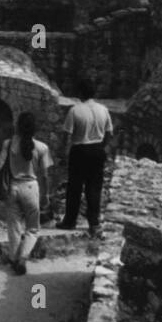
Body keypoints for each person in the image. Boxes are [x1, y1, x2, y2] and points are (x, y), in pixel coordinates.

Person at [0, 111, 54, 275]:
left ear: (17, 126)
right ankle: (23, 257)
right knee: (33, 228)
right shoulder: (42, 148)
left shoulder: (8, 144)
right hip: (31, 188)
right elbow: (45, 175)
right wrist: (45, 195)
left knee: (14, 227)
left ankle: (14, 258)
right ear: (35, 128)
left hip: (13, 187)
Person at [58, 78, 113, 237]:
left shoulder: (75, 110)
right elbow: (109, 133)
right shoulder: (103, 109)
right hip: (97, 149)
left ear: (80, 93)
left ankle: (70, 220)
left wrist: (64, 153)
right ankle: (94, 223)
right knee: (94, 188)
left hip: (80, 150)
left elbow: (66, 135)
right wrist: (102, 146)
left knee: (74, 187)